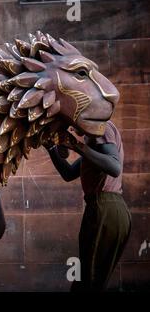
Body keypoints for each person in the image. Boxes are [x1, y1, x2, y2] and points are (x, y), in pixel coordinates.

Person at [45, 121, 131, 291]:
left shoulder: (100, 127)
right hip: (109, 209)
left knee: (86, 282)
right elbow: (68, 174)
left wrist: (76, 145)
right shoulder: (93, 143)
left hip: (105, 208)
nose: (70, 128)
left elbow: (114, 167)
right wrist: (50, 148)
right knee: (91, 281)